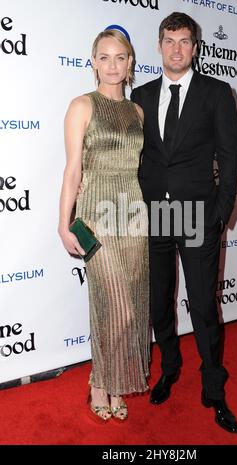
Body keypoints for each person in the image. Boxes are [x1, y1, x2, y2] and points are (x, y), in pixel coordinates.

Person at [131, 12, 237, 433]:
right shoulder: (139, 96)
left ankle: (214, 389)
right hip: (153, 215)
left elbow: (230, 158)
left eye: (184, 41)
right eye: (169, 40)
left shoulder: (216, 92)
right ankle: (170, 369)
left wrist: (220, 213)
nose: (177, 48)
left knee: (202, 307)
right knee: (159, 304)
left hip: (199, 216)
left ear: (195, 47)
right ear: (159, 45)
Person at [58, 29, 150, 423]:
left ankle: (114, 382)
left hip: (133, 216)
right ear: (93, 61)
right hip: (96, 216)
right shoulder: (82, 105)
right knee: (116, 308)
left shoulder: (138, 112)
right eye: (105, 57)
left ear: (130, 64)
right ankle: (100, 381)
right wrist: (65, 224)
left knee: (131, 307)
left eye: (121, 57)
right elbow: (73, 168)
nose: (113, 65)